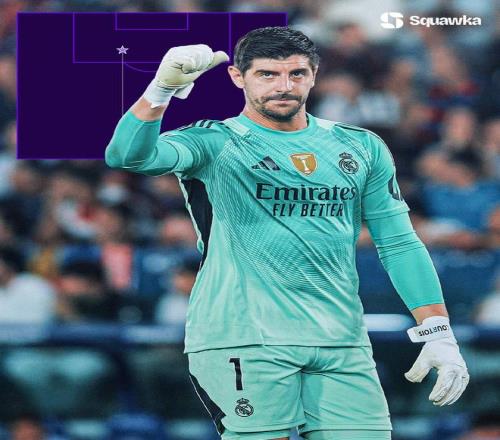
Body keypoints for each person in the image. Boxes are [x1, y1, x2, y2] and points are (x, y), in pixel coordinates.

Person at [105, 27, 469, 440]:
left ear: (314, 75)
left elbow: (399, 242)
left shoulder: (361, 146)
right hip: (242, 336)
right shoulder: (214, 141)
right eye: (267, 74)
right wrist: (161, 89)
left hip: (341, 339)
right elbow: (126, 156)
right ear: (238, 77)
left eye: (296, 74)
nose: (284, 86)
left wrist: (438, 331)